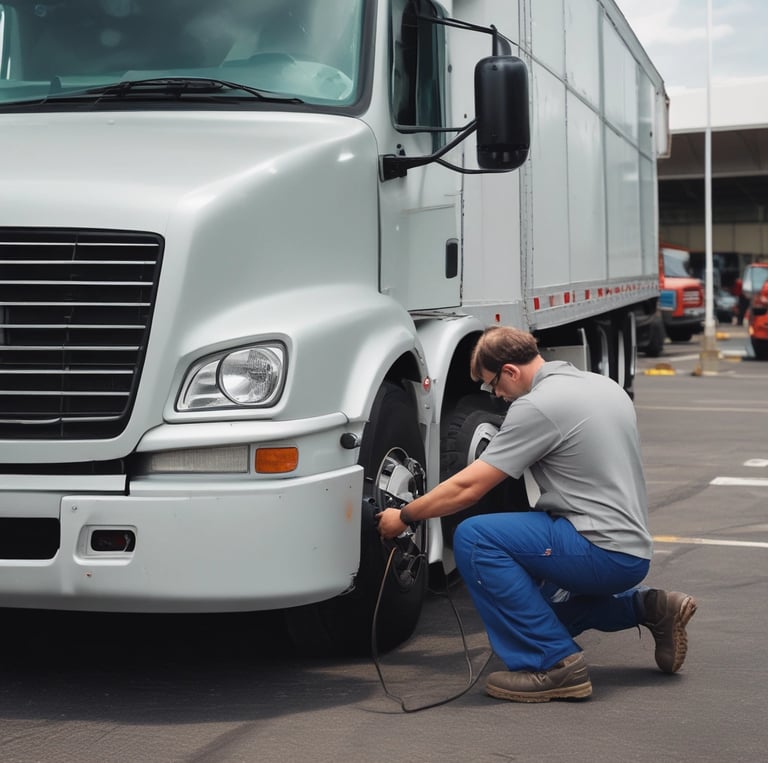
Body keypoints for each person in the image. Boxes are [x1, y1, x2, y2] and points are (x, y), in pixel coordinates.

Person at [377, 325, 697, 703]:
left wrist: (406, 515)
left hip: (595, 550)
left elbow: (469, 488)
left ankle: (556, 666)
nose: (495, 394)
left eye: (492, 384)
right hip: (632, 550)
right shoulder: (603, 386)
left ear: (510, 371)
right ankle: (651, 606)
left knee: (475, 537)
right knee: (539, 619)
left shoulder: (538, 406)